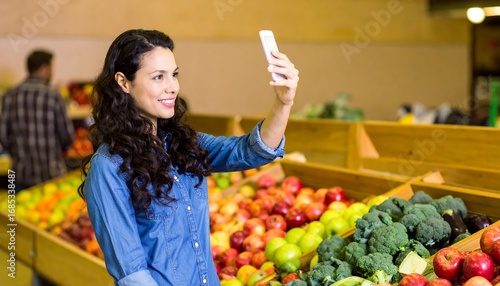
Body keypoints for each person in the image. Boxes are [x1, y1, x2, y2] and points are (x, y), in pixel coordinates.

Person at [77, 29, 299, 286]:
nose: (172, 87)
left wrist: (283, 103)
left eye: (174, 74)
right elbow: (133, 275)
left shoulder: (182, 144)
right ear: (123, 82)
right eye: (158, 77)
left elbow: (251, 151)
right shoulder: (109, 167)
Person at [0, 49, 75, 192]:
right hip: (52, 176)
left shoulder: (9, 96)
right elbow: (67, 137)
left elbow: (3, 136)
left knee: (16, 213)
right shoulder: (54, 96)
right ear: (44, 69)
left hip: (20, 175)